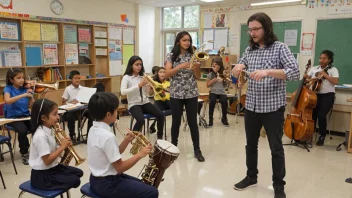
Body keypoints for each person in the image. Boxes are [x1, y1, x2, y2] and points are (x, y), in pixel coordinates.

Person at [231, 12, 300, 198]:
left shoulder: (280, 48)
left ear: (266, 28)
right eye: (250, 29)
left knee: (276, 148)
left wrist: (268, 71)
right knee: (250, 145)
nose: (252, 33)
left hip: (272, 109)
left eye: (256, 29)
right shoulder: (249, 50)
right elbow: (237, 70)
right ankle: (251, 176)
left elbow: (294, 73)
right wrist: (237, 69)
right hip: (252, 106)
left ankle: (279, 185)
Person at [87, 92, 158, 198]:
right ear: (108, 115)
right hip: (108, 184)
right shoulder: (107, 136)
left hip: (95, 179)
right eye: (116, 110)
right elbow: (120, 167)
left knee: (143, 184)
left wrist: (126, 140)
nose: (117, 112)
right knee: (152, 192)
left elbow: (112, 154)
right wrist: (140, 154)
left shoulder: (93, 129)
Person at [165, 31, 205, 162]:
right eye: (184, 40)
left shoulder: (193, 55)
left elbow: (198, 76)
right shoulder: (171, 56)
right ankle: (173, 148)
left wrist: (197, 66)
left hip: (191, 93)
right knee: (176, 122)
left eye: (188, 40)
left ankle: (197, 150)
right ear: (178, 42)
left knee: (193, 122)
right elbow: (167, 74)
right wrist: (180, 66)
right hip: (176, 93)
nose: (187, 42)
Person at [29, 99, 83, 190]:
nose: (58, 117)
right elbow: (47, 161)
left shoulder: (50, 129)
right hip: (42, 175)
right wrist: (62, 147)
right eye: (54, 114)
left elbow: (53, 149)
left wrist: (64, 145)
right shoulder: (40, 136)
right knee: (75, 180)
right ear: (43, 118)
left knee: (79, 173)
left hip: (53, 168)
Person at [121, 56, 164, 139]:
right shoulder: (126, 77)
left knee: (161, 115)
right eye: (137, 64)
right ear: (131, 65)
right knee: (141, 120)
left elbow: (148, 94)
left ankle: (159, 138)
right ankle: (132, 138)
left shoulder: (143, 76)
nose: (139, 66)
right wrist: (138, 86)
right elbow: (123, 92)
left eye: (140, 64)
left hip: (145, 102)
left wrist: (150, 86)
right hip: (134, 104)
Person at [304, 50, 338, 146]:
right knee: (312, 116)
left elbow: (336, 81)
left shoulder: (333, 70)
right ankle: (309, 135)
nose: (321, 60)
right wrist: (306, 77)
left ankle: (322, 136)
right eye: (320, 58)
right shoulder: (314, 68)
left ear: (329, 60)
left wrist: (325, 75)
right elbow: (307, 80)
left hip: (328, 96)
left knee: (321, 115)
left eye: (324, 58)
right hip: (314, 96)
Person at [3, 68, 34, 165]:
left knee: (37, 126)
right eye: (18, 78)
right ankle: (24, 153)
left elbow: (32, 105)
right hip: (13, 118)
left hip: (25, 116)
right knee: (22, 130)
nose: (22, 80)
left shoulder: (25, 88)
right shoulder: (8, 88)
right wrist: (23, 95)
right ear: (12, 80)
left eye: (22, 77)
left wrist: (32, 96)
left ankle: (38, 150)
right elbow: (7, 101)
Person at [62, 70, 93, 142]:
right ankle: (72, 135)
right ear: (71, 79)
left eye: (79, 78)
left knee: (92, 114)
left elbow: (86, 100)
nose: (77, 80)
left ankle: (89, 135)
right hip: (72, 110)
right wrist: (70, 102)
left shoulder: (83, 88)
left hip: (82, 109)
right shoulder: (68, 89)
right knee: (70, 116)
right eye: (75, 78)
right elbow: (63, 102)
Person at [206, 57, 230, 127]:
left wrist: (226, 80)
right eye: (214, 65)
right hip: (213, 92)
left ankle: (224, 118)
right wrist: (215, 79)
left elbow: (227, 85)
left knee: (224, 101)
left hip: (221, 92)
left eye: (217, 65)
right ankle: (210, 119)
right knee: (212, 101)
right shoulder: (210, 74)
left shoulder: (223, 74)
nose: (215, 67)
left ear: (220, 66)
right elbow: (207, 85)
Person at [149, 67, 171, 133]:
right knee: (159, 112)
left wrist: (166, 90)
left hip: (168, 101)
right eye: (160, 72)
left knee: (176, 107)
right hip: (158, 101)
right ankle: (159, 132)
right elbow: (150, 94)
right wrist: (151, 87)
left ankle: (153, 125)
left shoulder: (169, 82)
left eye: (164, 72)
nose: (162, 74)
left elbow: (171, 92)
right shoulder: (155, 83)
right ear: (157, 74)